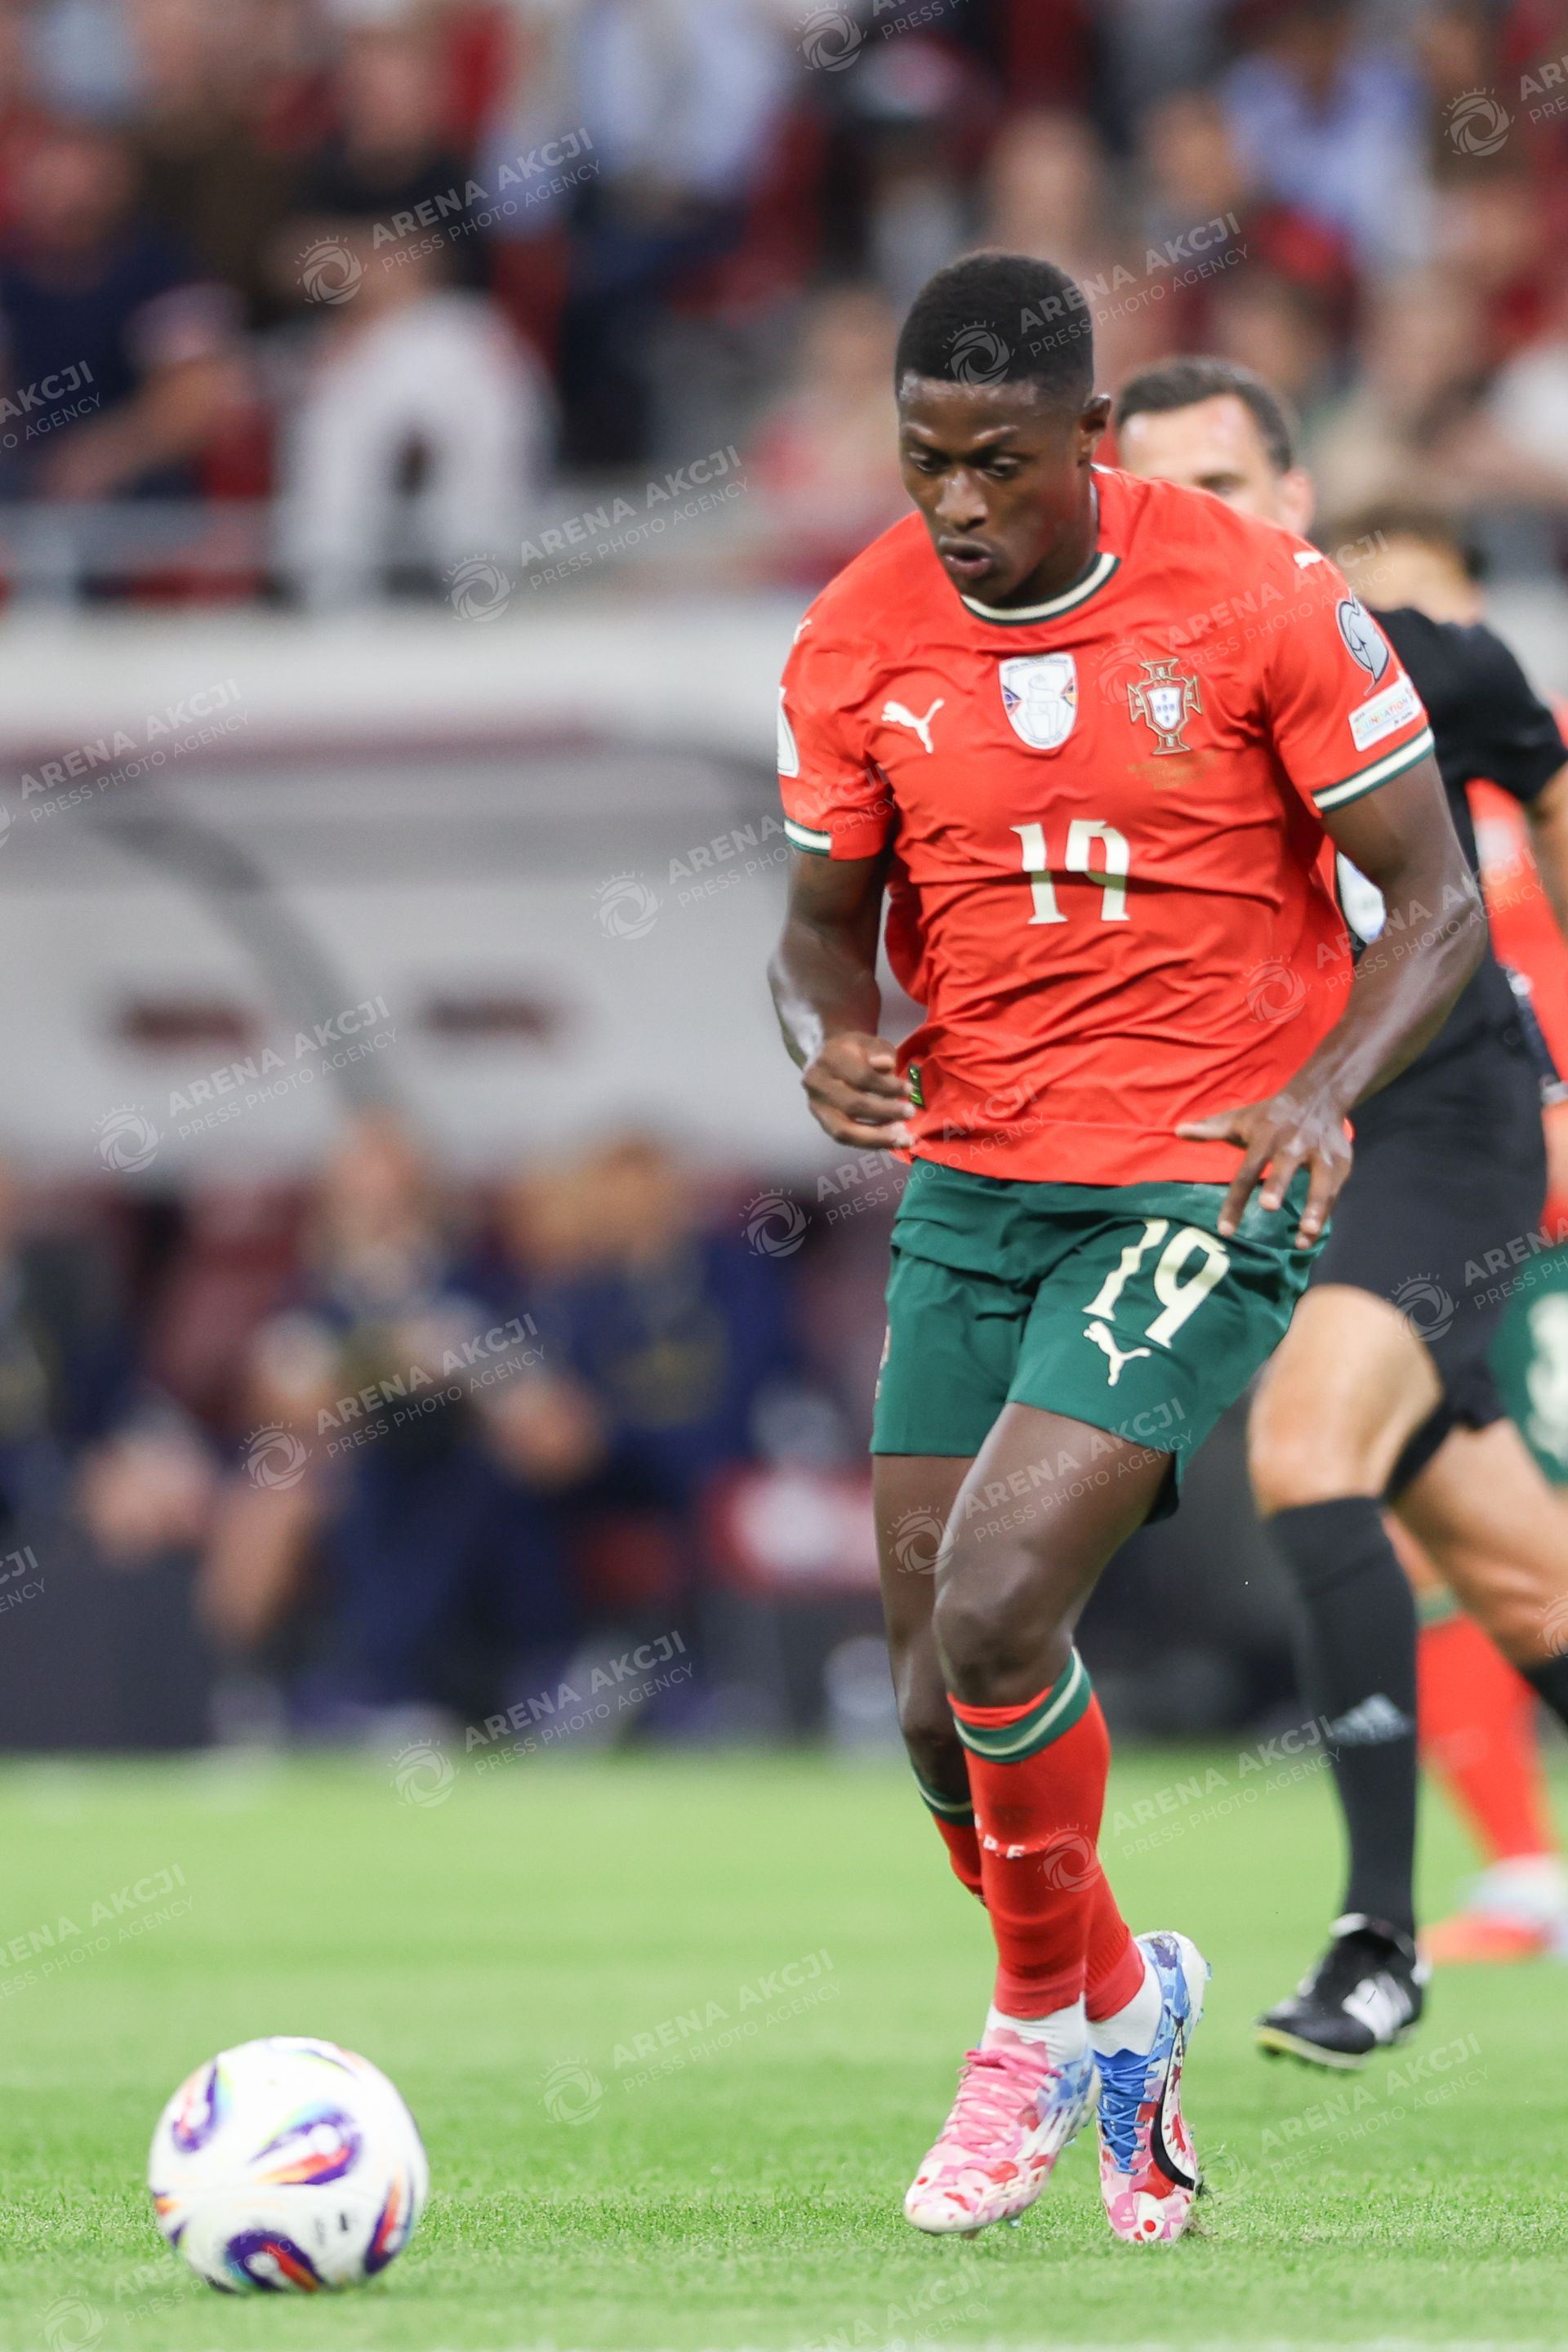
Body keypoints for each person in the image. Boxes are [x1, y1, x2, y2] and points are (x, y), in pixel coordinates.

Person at [767, 251, 1480, 2244]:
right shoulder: (855, 636)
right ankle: (1119, 2003)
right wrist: (828, 1039)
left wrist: (1324, 1091)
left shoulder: (1262, 598)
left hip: (1201, 1176)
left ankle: (1023, 2045)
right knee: (936, 1704)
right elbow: (817, 939)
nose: (959, 503)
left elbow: (1432, 900)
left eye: (998, 461)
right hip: (974, 1187)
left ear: (1093, 437)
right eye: (924, 462)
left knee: (1000, 1605)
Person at [1114, 358, 1568, 2059]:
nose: (1189, 525)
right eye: (1153, 496)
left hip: (1439, 1128)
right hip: (1275, 1166)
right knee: (1526, 1584)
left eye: (1222, 487)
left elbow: (1543, 776)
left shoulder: (1420, 661)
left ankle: (1381, 1939)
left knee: (1309, 1454)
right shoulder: (1100, 707)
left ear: (1294, 505)